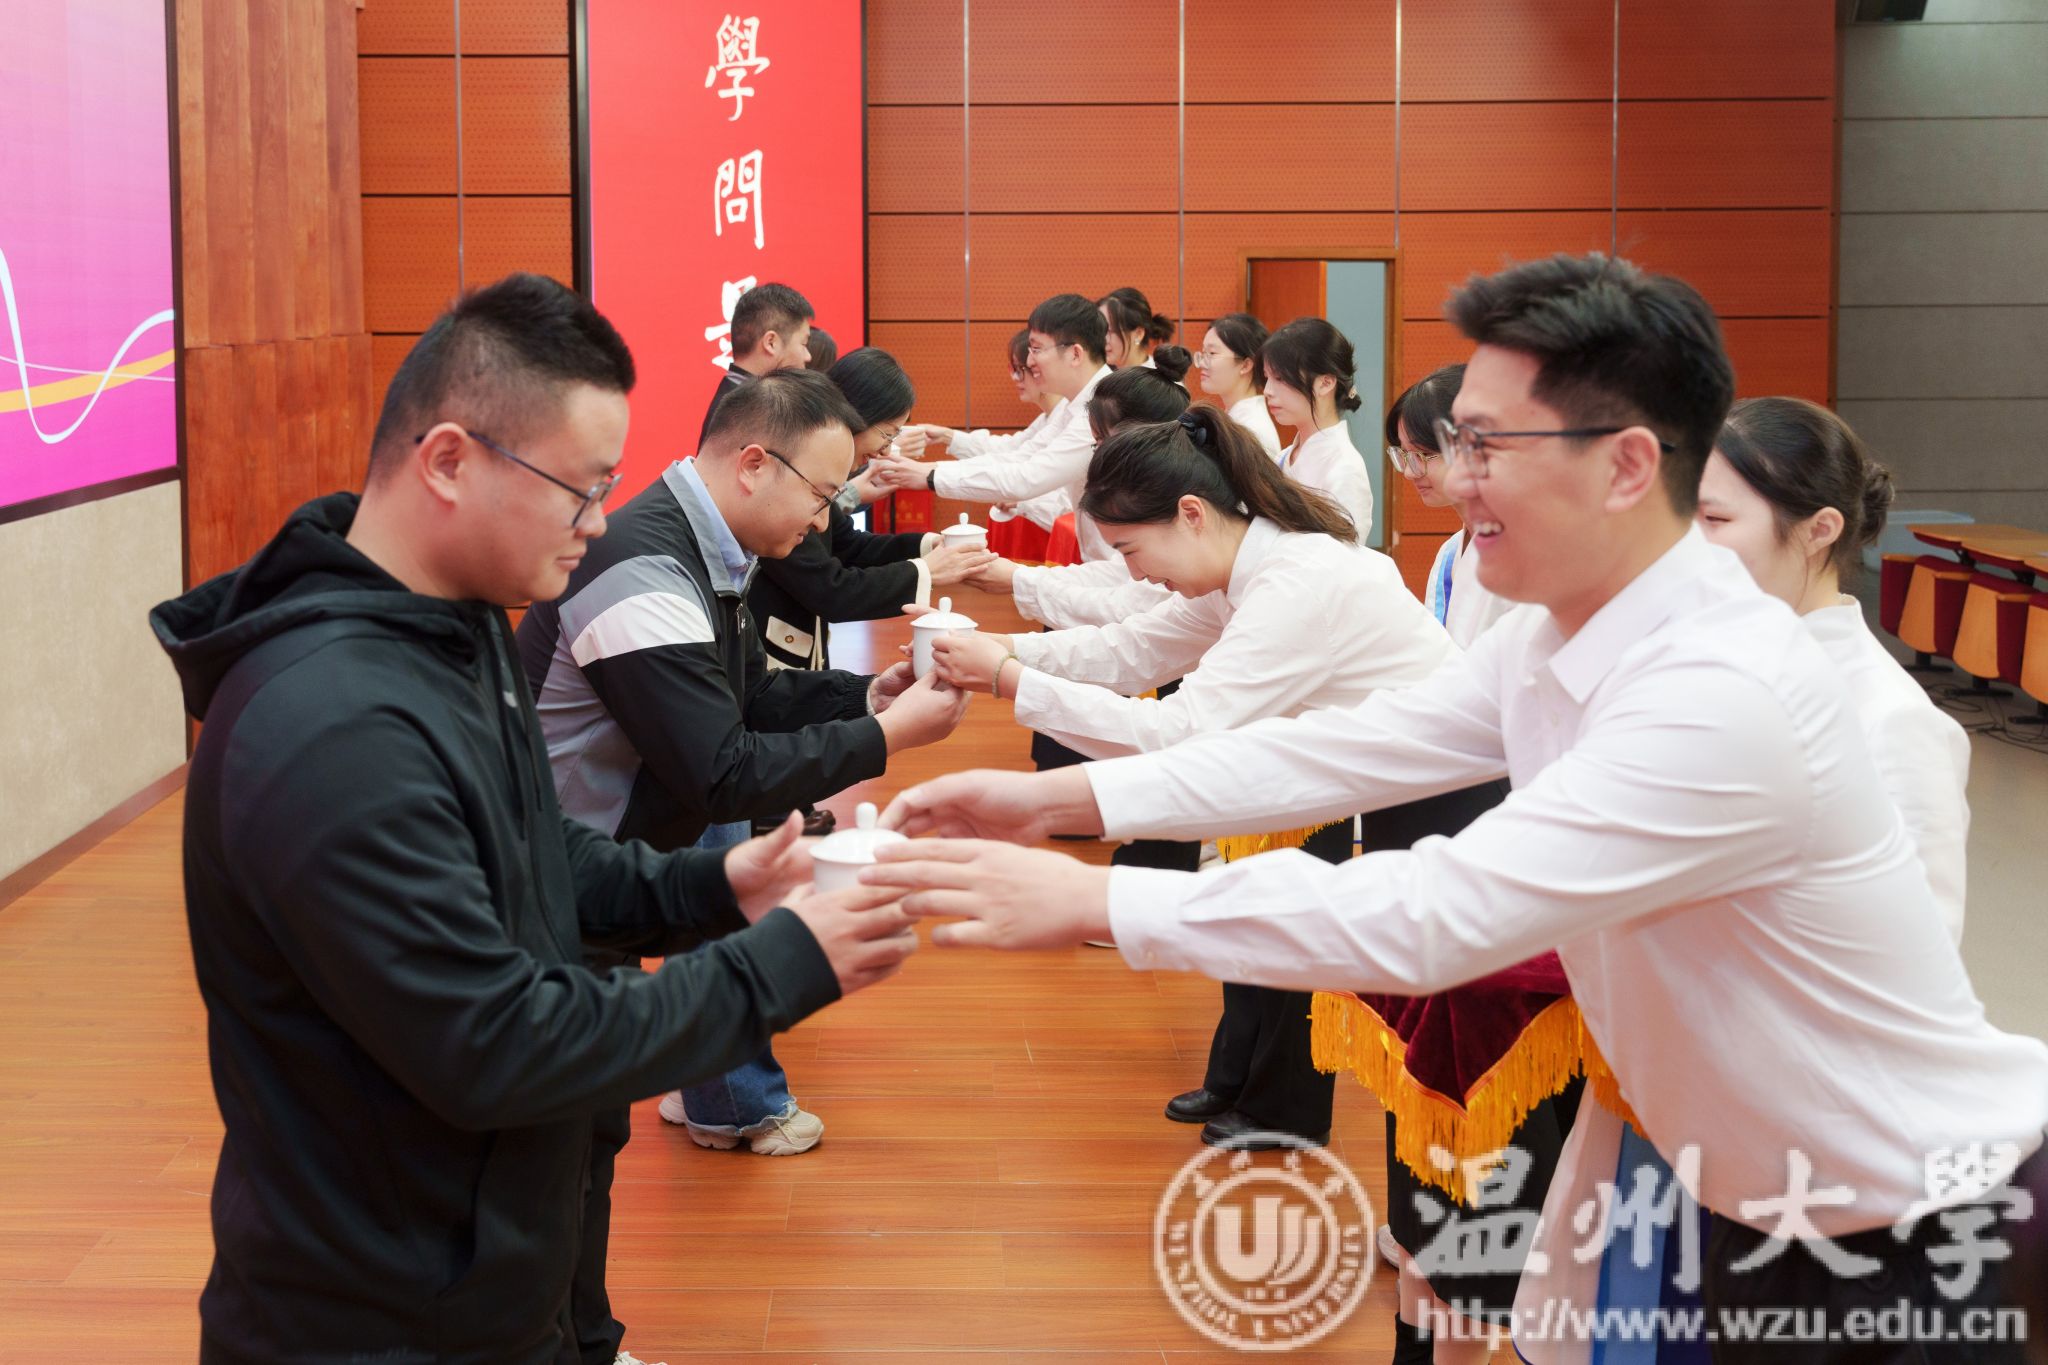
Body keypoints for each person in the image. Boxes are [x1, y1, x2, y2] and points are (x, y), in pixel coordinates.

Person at [867, 253, 2048, 1364]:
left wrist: (1098, 901)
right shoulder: (1557, 633)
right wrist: (1051, 799)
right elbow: (1338, 751)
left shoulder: (1722, 694)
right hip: (1744, 1184)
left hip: (1904, 1219)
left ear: (1626, 467)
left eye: (1481, 445)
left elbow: (1438, 912)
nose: (1445, 475)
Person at [150, 274, 919, 1365]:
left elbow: (530, 845)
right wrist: (783, 962)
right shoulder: (331, 724)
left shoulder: (449, 625)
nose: (600, 522)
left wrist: (715, 886)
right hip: (384, 1315)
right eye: (580, 489)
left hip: (486, 1266)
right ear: (449, 461)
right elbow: (494, 1044)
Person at [515, 366, 967, 1363]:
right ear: (754, 464)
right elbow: (718, 768)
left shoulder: (708, 545)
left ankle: (586, 1339)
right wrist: (889, 737)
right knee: (559, 1147)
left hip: (605, 876)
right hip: (552, 884)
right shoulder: (640, 565)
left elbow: (747, 693)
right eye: (822, 492)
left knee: (587, 1135)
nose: (826, 517)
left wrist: (863, 699)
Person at [930, 404, 1453, 1150]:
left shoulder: (1297, 582)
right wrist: (1000, 654)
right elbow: (1132, 651)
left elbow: (1177, 734)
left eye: (1130, 548)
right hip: (1355, 779)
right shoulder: (1247, 568)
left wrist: (1008, 676)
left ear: (1191, 513)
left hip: (1437, 799)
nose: (1135, 572)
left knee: (1439, 1053)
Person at [1699, 396, 1969, 942]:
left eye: (1714, 520)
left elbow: (1916, 941)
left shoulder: (1889, 719)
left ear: (1819, 530)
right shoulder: (1711, 668)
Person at [748, 347, 995, 670]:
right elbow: (830, 591)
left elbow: (850, 545)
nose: (886, 451)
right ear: (855, 414)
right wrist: (926, 571)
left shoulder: (816, 468)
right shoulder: (791, 474)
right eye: (887, 435)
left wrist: (929, 547)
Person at [866, 293, 1120, 561]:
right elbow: (1018, 456)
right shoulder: (1077, 406)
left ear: (1075, 354)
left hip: (1121, 569)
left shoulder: (1101, 410)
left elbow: (1026, 478)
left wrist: (930, 476)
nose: (1030, 362)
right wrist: (930, 471)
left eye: (1036, 349)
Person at [967, 358, 1194, 629]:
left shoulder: (1173, 506)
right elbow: (1118, 574)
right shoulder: (1158, 490)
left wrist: (1019, 580)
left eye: (1101, 442)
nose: (1098, 453)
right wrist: (1020, 577)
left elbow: (1126, 607)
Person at [1388, 363, 1518, 644]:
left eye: (1423, 455)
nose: (1409, 472)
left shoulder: (1524, 551)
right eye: (1405, 455)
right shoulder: (1449, 555)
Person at [1261, 317, 1375, 535]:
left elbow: (1342, 552)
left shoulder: (1345, 468)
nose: (1267, 391)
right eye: (1267, 378)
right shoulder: (1283, 459)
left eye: (1280, 378)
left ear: (1325, 383)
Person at [698, 281, 814, 445]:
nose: (808, 356)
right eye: (803, 344)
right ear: (771, 343)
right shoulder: (746, 413)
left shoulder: (739, 401)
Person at [1193, 311, 1282, 459]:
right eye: (1203, 353)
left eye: (1212, 353)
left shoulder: (1253, 431)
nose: (1202, 363)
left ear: (1246, 365)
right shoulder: (1232, 418)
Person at [1099, 284, 1174, 370]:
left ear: (1138, 334)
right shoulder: (1101, 373)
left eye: (1110, 331)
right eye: (1100, 330)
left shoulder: (1157, 377)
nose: (1102, 339)